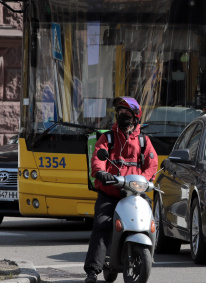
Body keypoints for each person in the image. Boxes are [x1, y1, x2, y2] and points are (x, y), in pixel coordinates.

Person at [83, 96, 158, 283]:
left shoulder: (143, 141)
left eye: (127, 113)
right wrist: (101, 173)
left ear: (135, 117)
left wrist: (146, 180)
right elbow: (97, 159)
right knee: (102, 224)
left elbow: (152, 163)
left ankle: (148, 255)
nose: (122, 116)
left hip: (134, 192)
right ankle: (92, 271)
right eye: (120, 113)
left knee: (150, 220)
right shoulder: (107, 137)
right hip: (111, 192)